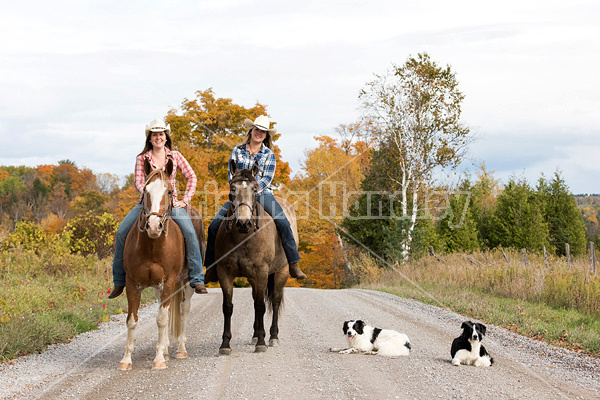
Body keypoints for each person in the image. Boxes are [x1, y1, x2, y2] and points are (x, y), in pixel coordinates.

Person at [108, 118, 207, 298]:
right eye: (154, 134)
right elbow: (138, 182)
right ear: (150, 138)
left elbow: (192, 176)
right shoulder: (142, 159)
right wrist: (150, 193)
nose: (158, 137)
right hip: (146, 206)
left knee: (190, 233)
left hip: (170, 204)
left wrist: (185, 200)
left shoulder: (175, 156)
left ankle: (197, 277)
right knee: (122, 232)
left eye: (161, 134)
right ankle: (119, 280)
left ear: (166, 136)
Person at [204, 115, 307, 281]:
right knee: (214, 226)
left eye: (263, 131)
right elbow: (231, 176)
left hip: (262, 193)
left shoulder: (269, 155)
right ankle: (211, 268)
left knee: (282, 222)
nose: (259, 133)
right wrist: (242, 190)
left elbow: (267, 179)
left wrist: (252, 189)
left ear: (266, 136)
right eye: (257, 129)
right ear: (251, 131)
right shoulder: (237, 151)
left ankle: (293, 263)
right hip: (239, 195)